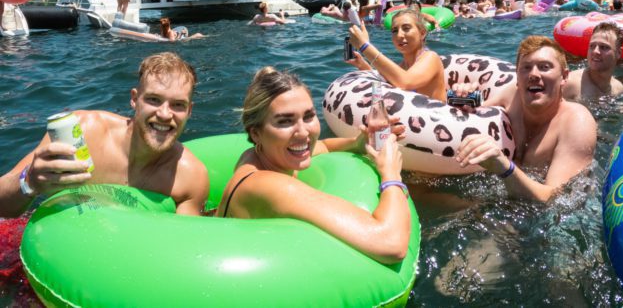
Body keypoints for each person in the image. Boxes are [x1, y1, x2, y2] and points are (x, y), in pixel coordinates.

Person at [215, 67, 411, 264]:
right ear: (256, 133)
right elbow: (391, 244)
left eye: (308, 116)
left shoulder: (253, 157)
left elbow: (323, 146)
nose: (303, 132)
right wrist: (391, 174)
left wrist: (359, 142)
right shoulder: (272, 187)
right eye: (284, 121)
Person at [0, 53, 209, 218]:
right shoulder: (83, 133)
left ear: (189, 111)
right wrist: (29, 182)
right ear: (135, 100)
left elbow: (181, 250)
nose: (164, 114)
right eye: (154, 100)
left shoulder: (190, 177)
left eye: (178, 105)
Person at [455, 35, 597, 203]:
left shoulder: (576, 122)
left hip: (544, 218)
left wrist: (506, 168)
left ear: (564, 77)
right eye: (526, 68)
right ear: (517, 77)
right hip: (502, 194)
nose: (533, 74)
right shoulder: (511, 95)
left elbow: (555, 199)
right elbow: (473, 109)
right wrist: (463, 97)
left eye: (544, 67)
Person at [347, 8, 446, 101]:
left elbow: (406, 82)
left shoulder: (431, 57)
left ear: (422, 33)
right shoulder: (402, 67)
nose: (399, 35)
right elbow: (385, 84)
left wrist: (365, 47)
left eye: (406, 28)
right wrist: (363, 65)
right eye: (394, 30)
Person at [563, 22, 623, 100]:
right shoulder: (570, 84)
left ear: (619, 53)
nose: (595, 51)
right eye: (592, 46)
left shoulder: (618, 88)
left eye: (603, 47)